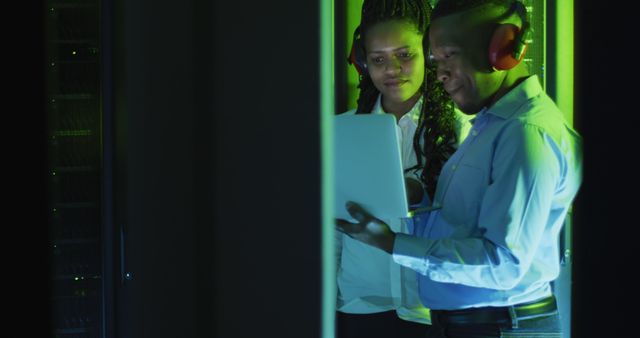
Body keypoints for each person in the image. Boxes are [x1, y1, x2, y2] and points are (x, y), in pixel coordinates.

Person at [336, 0, 583, 337]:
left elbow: (503, 263)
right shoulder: (493, 127)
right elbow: (465, 222)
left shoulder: (526, 133)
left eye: (449, 56)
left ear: (501, 49)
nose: (440, 74)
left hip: (499, 324)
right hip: (470, 323)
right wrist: (417, 196)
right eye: (437, 60)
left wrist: (393, 243)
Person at [335, 0, 470, 337]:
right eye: (378, 59)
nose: (391, 69)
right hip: (360, 304)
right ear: (363, 62)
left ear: (429, 53)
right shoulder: (341, 131)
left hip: (433, 309)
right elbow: (330, 230)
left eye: (404, 55)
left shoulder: (464, 129)